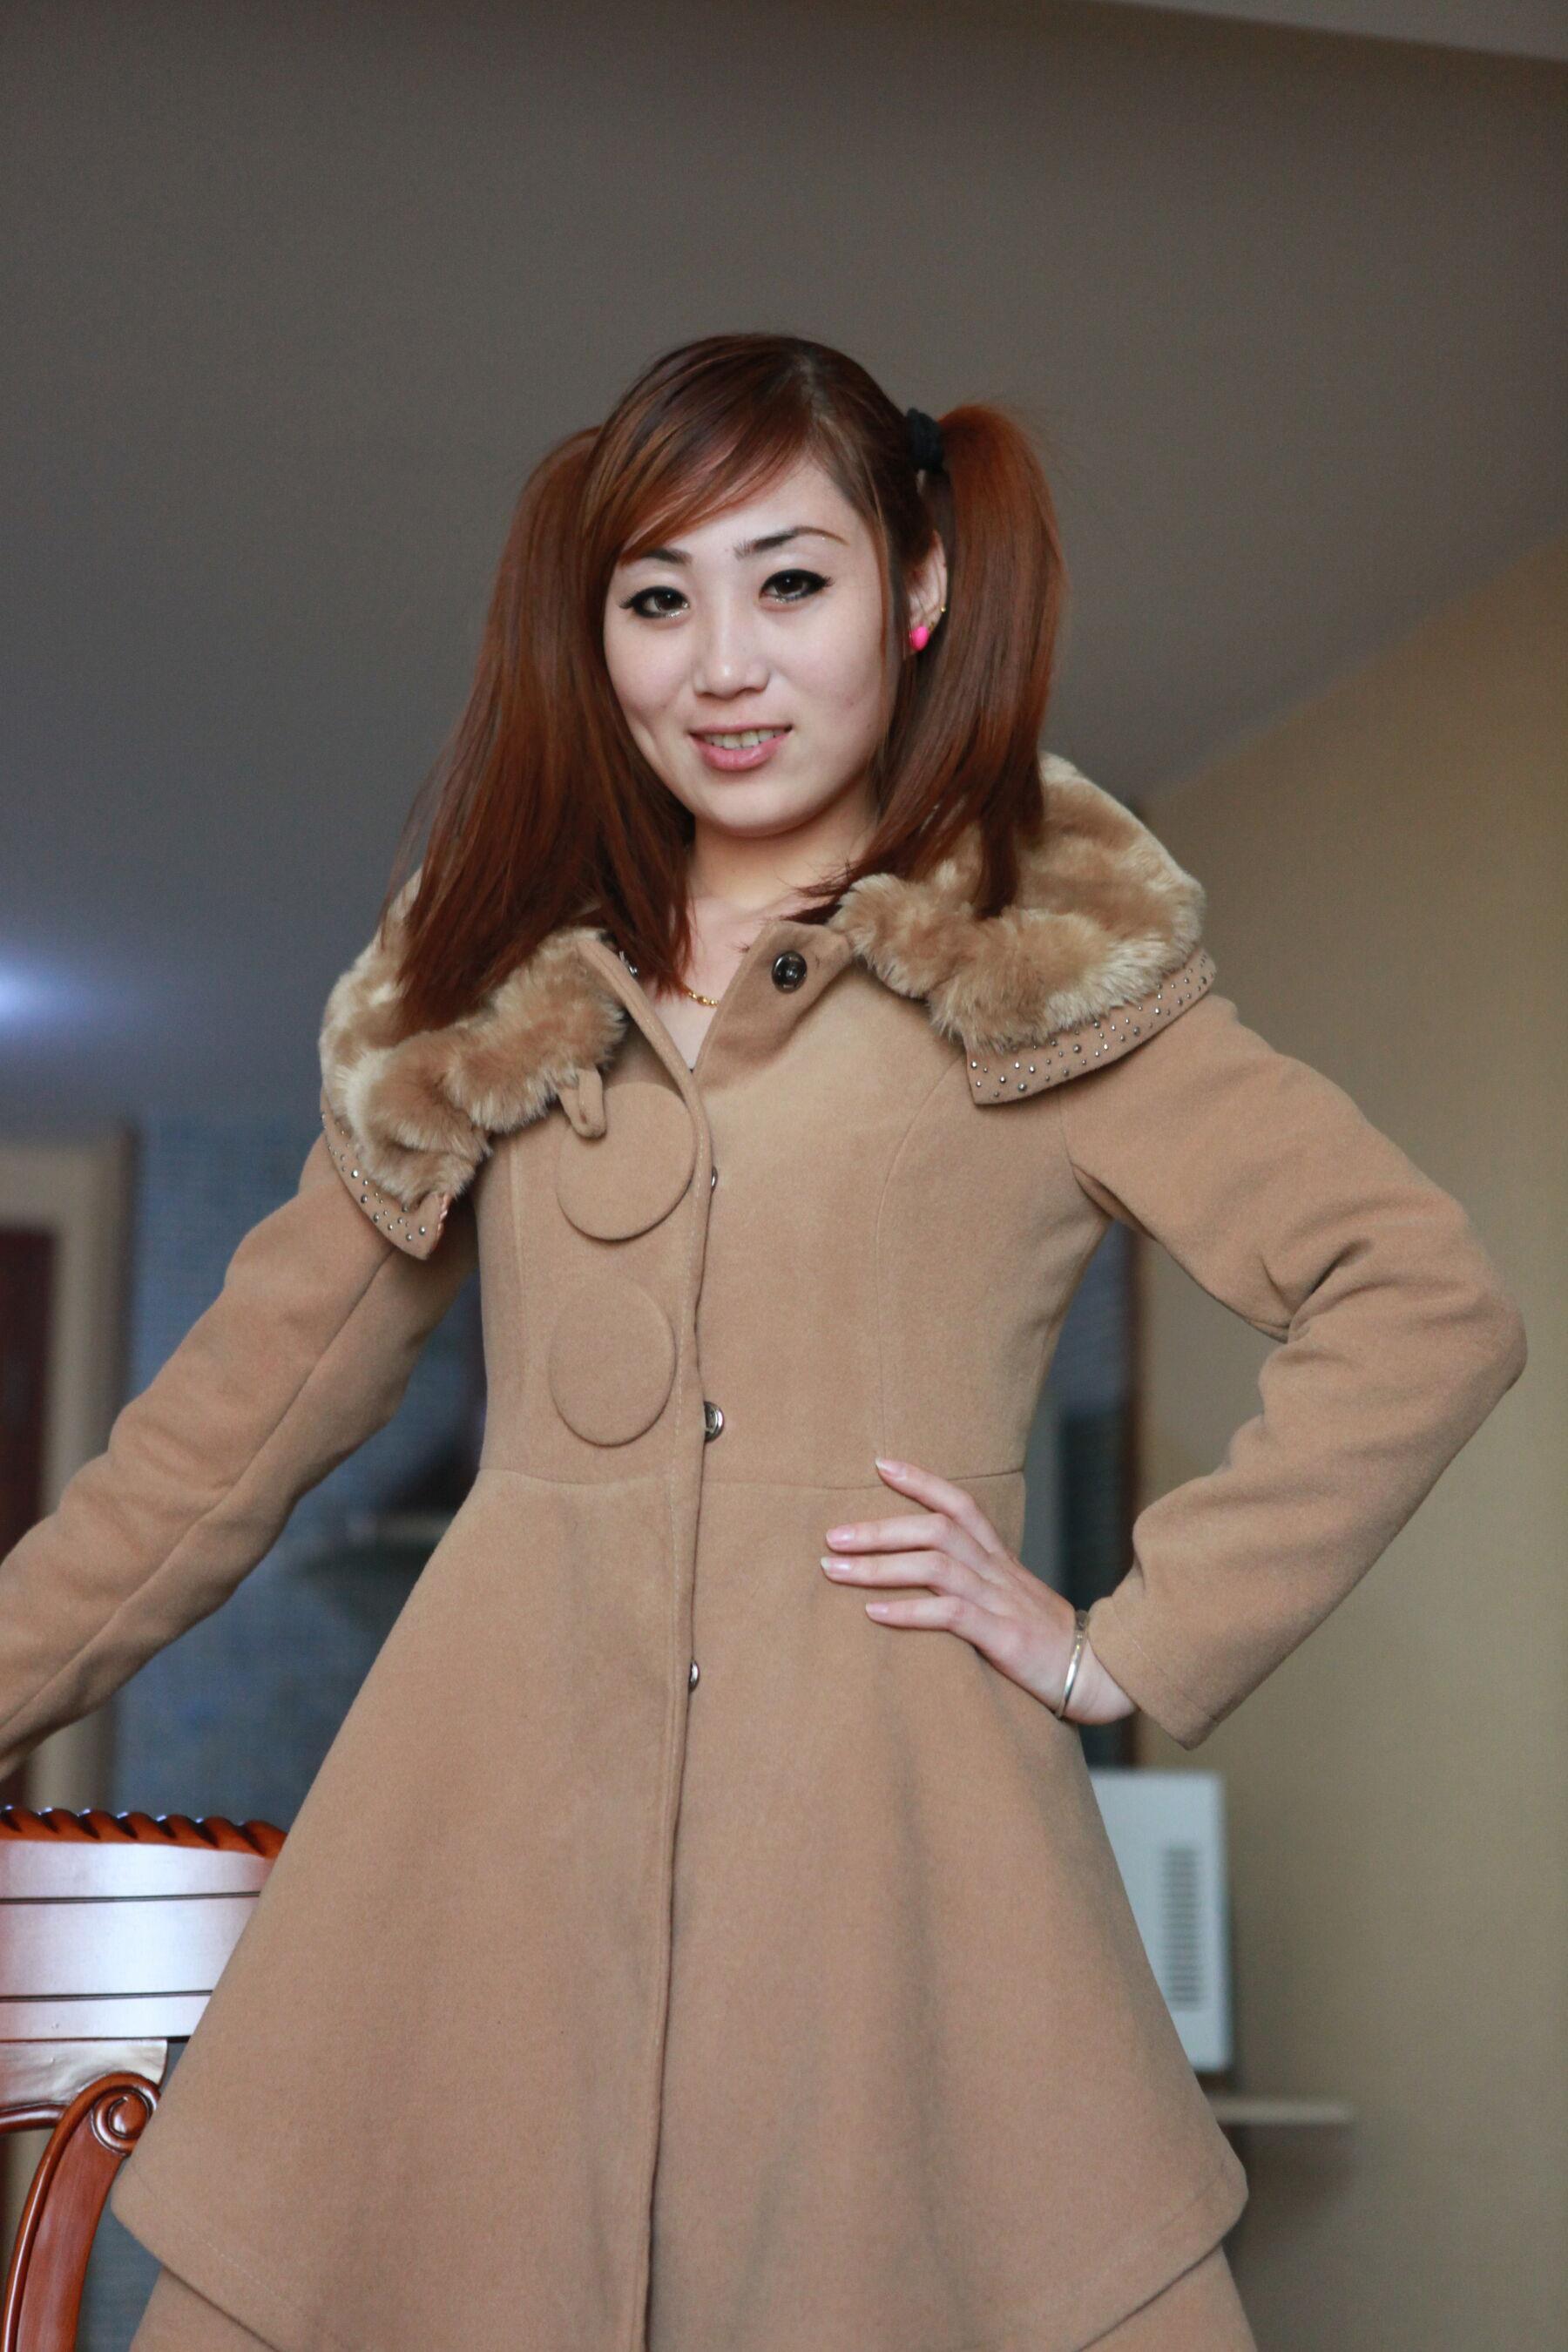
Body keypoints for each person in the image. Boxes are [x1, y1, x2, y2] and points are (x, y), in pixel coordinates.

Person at [0, 333, 1524, 2352]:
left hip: (897, 1893)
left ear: (917, 589)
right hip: (476, 1891)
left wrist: (1123, 1645)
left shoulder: (1045, 966)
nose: (721, 664)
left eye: (789, 581)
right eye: (658, 599)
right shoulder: (490, 993)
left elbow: (1419, 1299)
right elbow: (221, 1433)